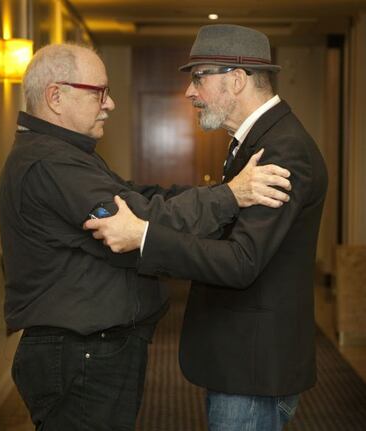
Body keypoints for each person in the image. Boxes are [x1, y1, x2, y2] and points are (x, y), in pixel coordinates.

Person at [0, 42, 291, 431]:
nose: (110, 103)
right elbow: (140, 218)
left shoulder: (66, 153)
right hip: (80, 354)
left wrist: (216, 194)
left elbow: (139, 197)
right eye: (99, 92)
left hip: (89, 351)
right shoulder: (50, 163)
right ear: (55, 96)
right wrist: (230, 196)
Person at [85, 24, 328, 431]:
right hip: (242, 360)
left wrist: (143, 236)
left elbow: (241, 261)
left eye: (198, 77)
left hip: (251, 367)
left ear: (235, 80)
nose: (189, 92)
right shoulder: (255, 141)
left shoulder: (283, 150)